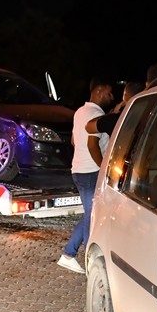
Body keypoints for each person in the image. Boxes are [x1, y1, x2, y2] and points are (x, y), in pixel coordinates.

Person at [57, 77, 114, 274]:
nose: (111, 96)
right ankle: (88, 261)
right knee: (93, 216)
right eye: (108, 92)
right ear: (98, 91)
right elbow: (92, 145)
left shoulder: (80, 112)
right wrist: (103, 167)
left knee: (91, 213)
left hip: (78, 170)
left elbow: (74, 141)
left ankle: (69, 254)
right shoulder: (95, 113)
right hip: (91, 172)